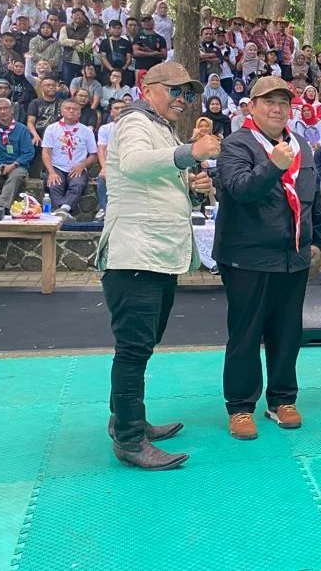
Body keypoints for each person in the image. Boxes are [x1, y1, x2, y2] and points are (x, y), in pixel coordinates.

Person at [98, 61, 220, 470]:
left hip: (154, 256)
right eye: (175, 91)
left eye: (188, 94)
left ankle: (126, 421)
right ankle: (130, 441)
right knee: (133, 350)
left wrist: (188, 181)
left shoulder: (159, 128)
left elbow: (150, 178)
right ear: (147, 88)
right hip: (136, 255)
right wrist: (189, 153)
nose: (184, 100)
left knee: (140, 346)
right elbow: (133, 164)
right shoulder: (134, 121)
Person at [212, 76, 321, 440]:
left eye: (283, 103)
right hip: (248, 258)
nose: (277, 109)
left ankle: (282, 399)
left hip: (293, 259)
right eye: (268, 102)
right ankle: (241, 406)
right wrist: (273, 165)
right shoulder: (235, 144)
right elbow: (240, 190)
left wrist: (318, 240)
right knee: (245, 335)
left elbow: (313, 198)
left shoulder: (302, 146)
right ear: (252, 106)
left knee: (288, 332)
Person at [41, 98, 98, 216]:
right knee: (54, 183)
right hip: (57, 166)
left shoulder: (86, 131)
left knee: (78, 184)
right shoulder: (52, 129)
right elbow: (46, 152)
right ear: (61, 111)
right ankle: (62, 210)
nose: (71, 111)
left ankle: (64, 209)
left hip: (78, 167)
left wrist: (82, 166)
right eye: (68, 108)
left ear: (80, 112)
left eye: (75, 109)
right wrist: (51, 172)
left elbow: (93, 155)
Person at [0, 98, 34, 209]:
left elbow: (29, 153)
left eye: (5, 108)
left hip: (17, 165)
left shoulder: (21, 129)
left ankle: (0, 206)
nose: (3, 111)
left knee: (16, 176)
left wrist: (13, 165)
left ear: (12, 110)